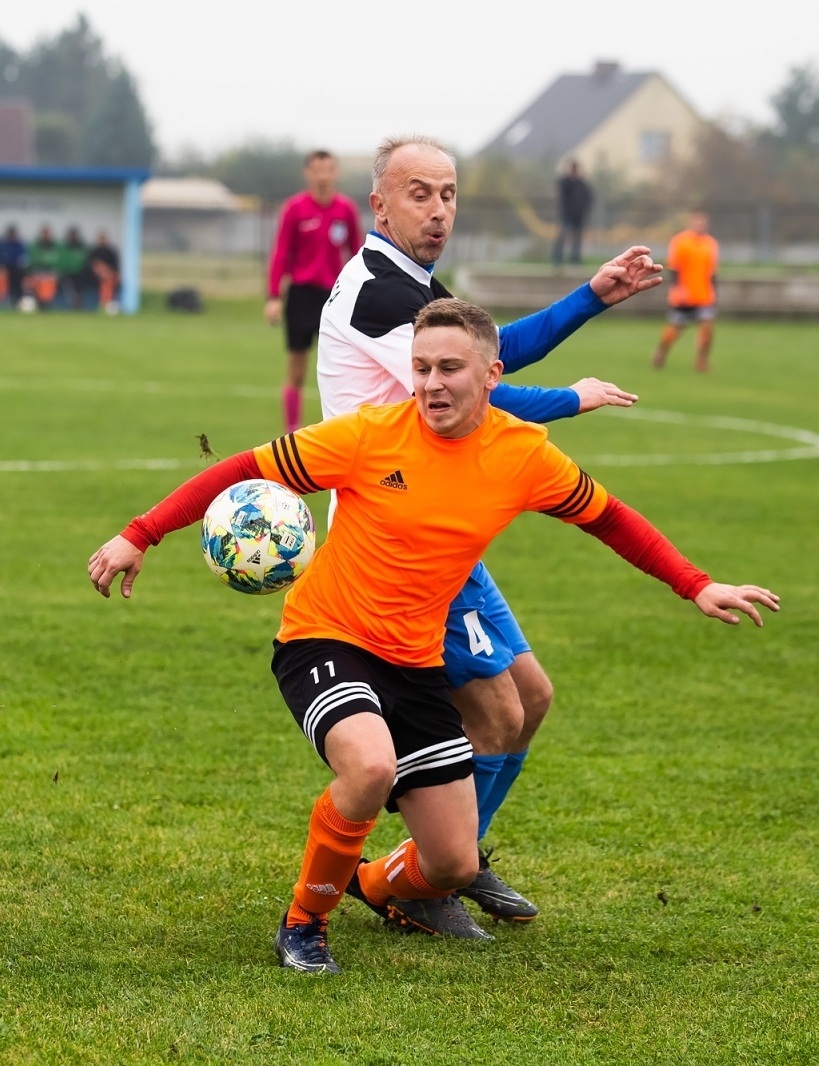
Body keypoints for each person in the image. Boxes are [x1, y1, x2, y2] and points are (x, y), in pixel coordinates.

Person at [88, 298, 777, 973]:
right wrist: (138, 533)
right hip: (326, 638)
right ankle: (304, 923)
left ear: (492, 375)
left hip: (416, 663)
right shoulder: (368, 436)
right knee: (369, 766)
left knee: (453, 861)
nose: (431, 383)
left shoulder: (525, 456)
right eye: (420, 367)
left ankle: (377, 885)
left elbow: (610, 518)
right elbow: (242, 469)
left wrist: (696, 583)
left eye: (450, 367)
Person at [318, 135, 658, 936]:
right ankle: (416, 876)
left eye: (449, 195)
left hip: (446, 525)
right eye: (420, 195)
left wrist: (592, 295)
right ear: (380, 204)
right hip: (396, 532)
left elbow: (489, 353)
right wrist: (572, 400)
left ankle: (449, 859)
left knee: (531, 699)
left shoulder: (411, 284)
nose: (439, 211)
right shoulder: (374, 293)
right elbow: (478, 399)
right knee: (499, 715)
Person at [265, 150, 363, 435]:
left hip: (336, 297)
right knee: (296, 370)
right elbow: (281, 253)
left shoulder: (346, 210)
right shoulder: (295, 209)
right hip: (301, 296)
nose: (323, 176)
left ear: (336, 173)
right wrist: (273, 296)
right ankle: (291, 432)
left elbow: (358, 254)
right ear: (308, 173)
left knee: (342, 368)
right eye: (317, 170)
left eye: (328, 170)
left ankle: (340, 430)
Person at [653, 211, 720, 372]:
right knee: (675, 329)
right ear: (692, 223)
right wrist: (678, 289)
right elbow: (674, 268)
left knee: (707, 328)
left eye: (703, 223)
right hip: (684, 295)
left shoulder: (711, 244)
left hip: (704, 295)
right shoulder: (681, 242)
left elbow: (712, 271)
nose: (700, 226)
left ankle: (701, 361)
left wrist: (714, 292)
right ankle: (661, 351)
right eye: (698, 222)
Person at [554, 160, 593, 266]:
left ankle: (574, 261)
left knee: (577, 240)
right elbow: (563, 192)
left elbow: (588, 197)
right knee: (563, 237)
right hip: (567, 215)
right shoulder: (566, 182)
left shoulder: (581, 184)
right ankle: (557, 261)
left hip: (579, 216)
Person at [26, 225, 61, 309]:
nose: (46, 236)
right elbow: (33, 261)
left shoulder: (55, 246)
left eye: (47, 233)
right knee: (33, 280)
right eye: (44, 233)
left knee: (50, 279)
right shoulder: (36, 245)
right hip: (38, 271)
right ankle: (38, 302)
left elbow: (57, 262)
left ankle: (47, 302)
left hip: (51, 272)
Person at [88, 231, 121, 312]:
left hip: (109, 276)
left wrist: (108, 273)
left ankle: (106, 303)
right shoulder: (94, 252)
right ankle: (106, 303)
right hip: (95, 277)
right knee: (106, 281)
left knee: (109, 280)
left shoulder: (110, 252)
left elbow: (115, 267)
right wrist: (101, 272)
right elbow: (92, 266)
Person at [59, 226, 90, 310]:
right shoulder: (64, 248)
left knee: (80, 288)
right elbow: (62, 263)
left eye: (74, 235)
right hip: (68, 274)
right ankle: (73, 304)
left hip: (81, 274)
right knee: (70, 290)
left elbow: (86, 262)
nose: (73, 237)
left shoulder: (82, 247)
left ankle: (79, 304)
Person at [0, 224, 27, 307]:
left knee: (20, 281)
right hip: (5, 269)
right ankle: (1, 302)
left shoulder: (19, 245)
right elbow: (0, 259)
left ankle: (19, 301)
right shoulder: (4, 245)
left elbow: (22, 260)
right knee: (1, 277)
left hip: (17, 270)